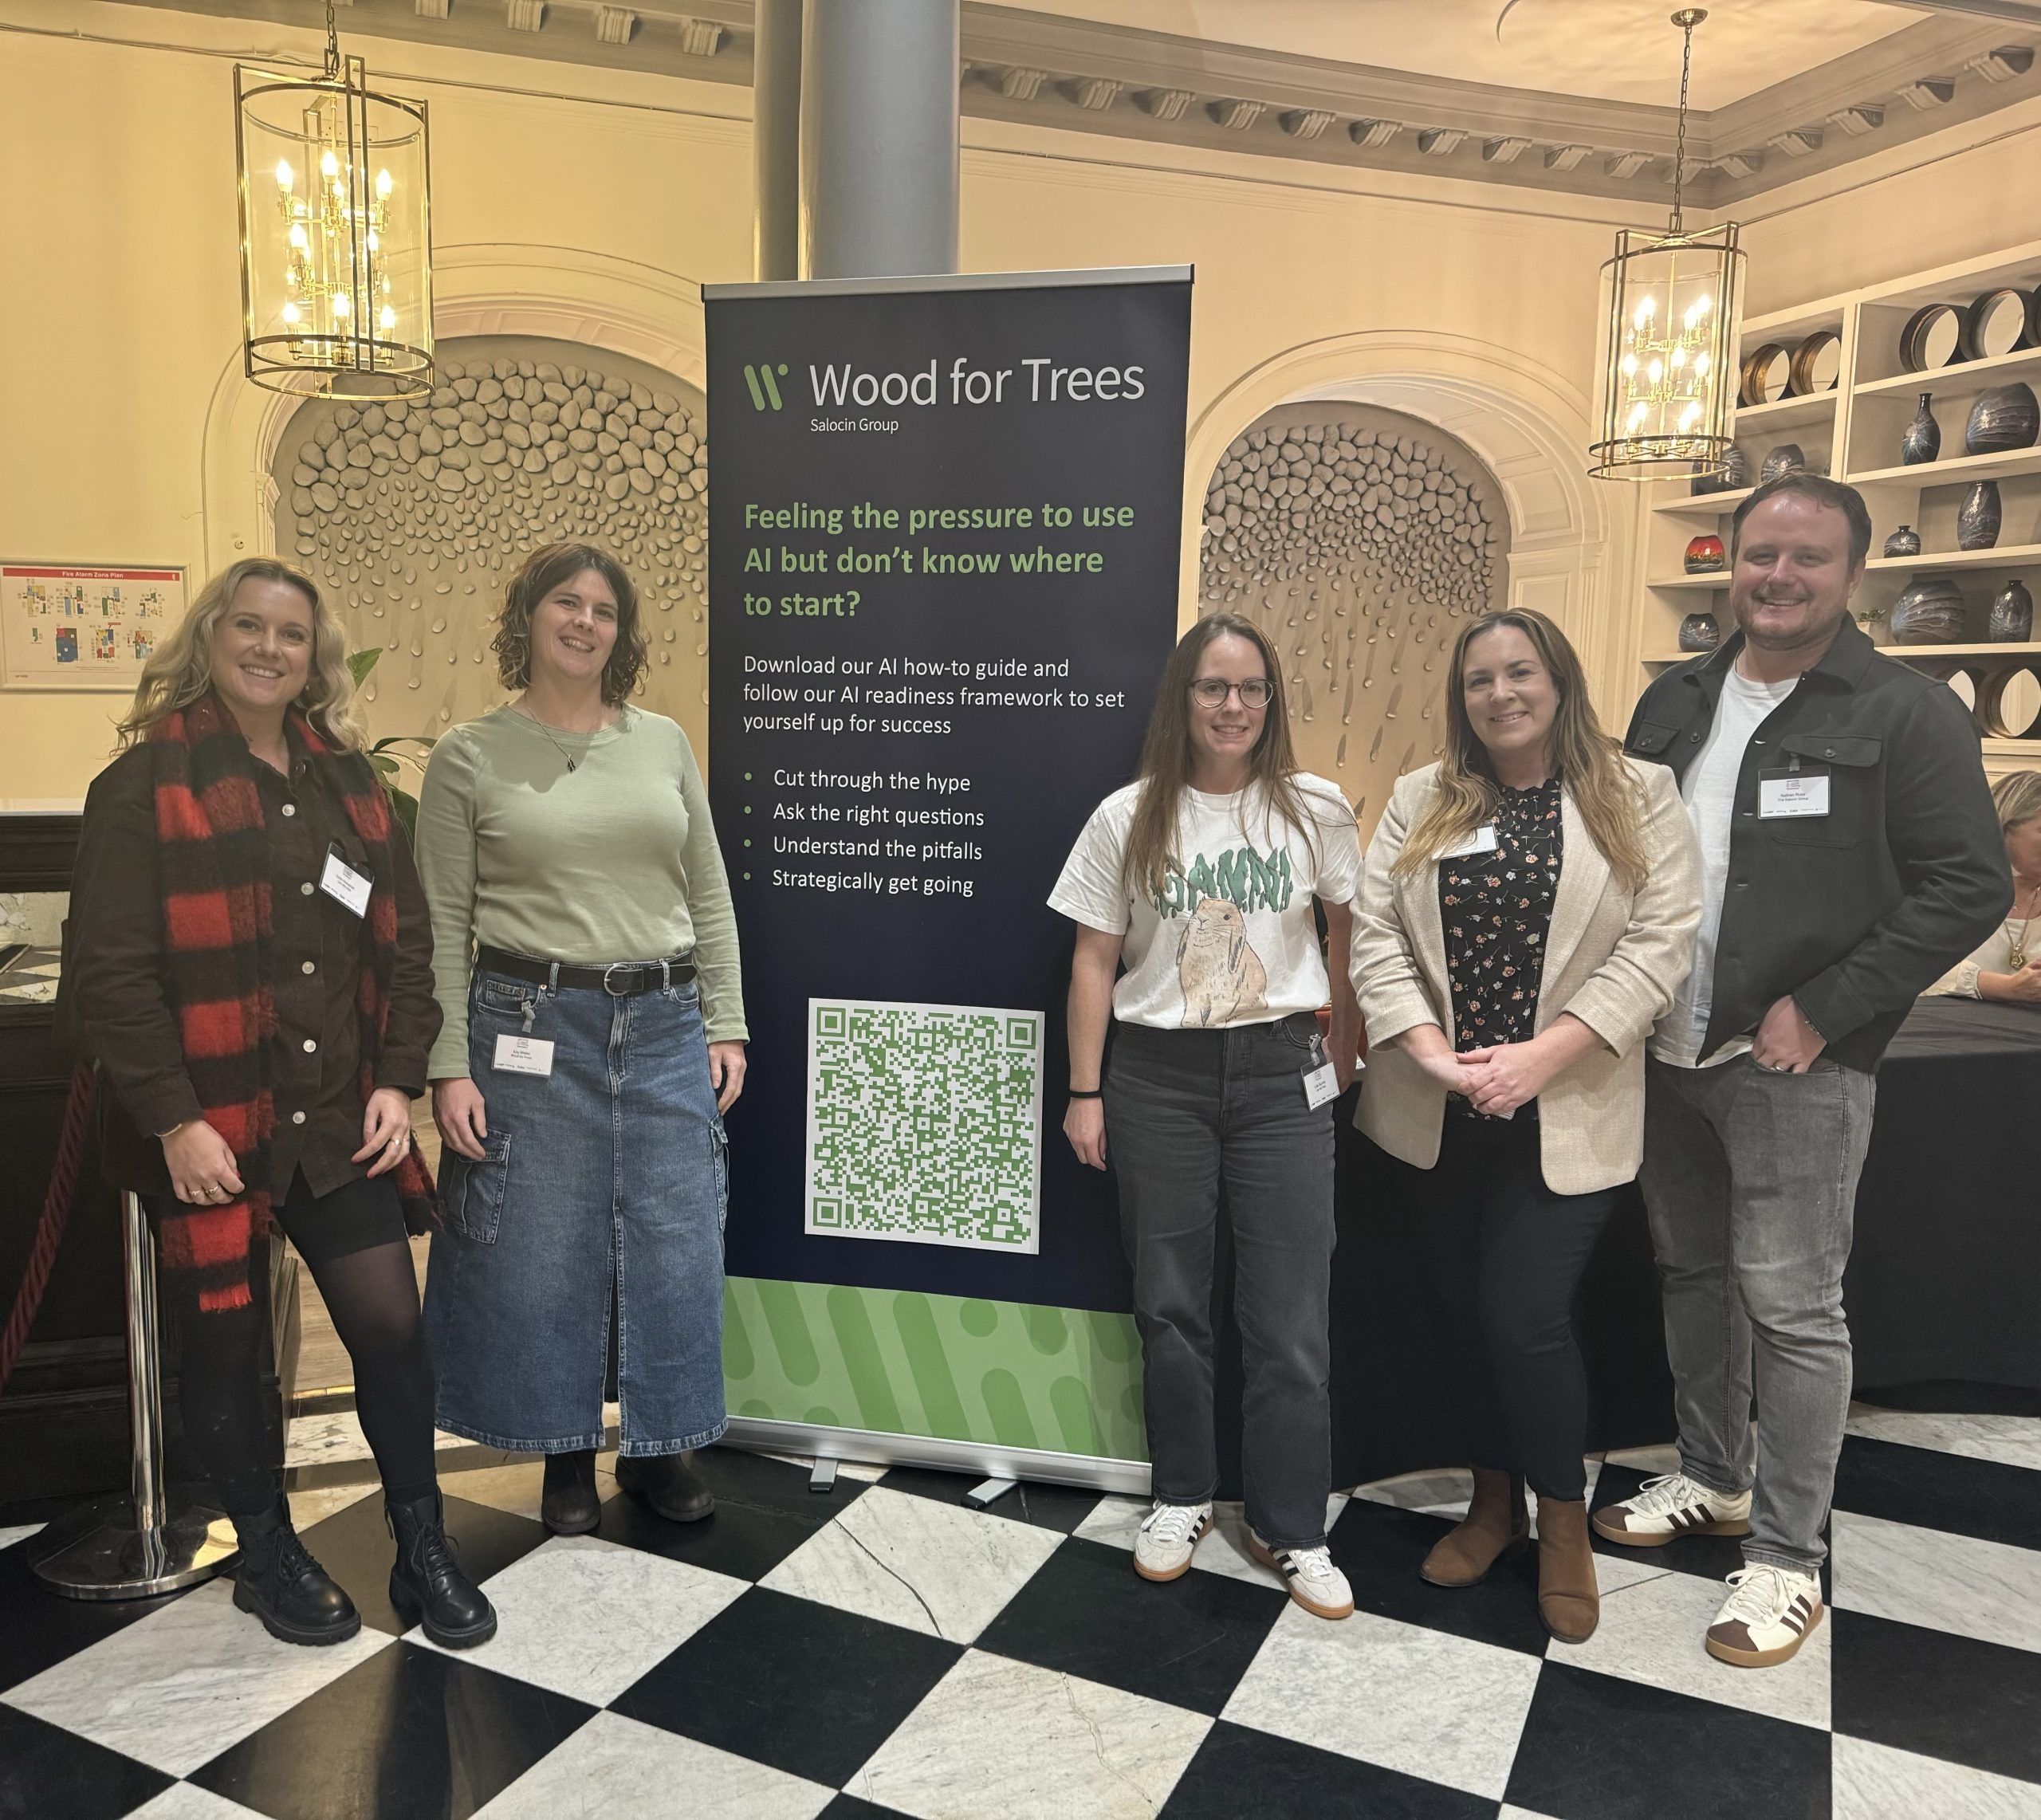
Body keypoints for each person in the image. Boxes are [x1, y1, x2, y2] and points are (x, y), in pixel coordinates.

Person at [1599, 472, 2012, 1669]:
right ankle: (1714, 1477)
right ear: (1731, 561)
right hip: (1666, 1045)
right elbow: (1631, 859)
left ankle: (1785, 1553)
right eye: (1759, 554)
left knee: (1792, 1306)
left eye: (1807, 559)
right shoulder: (1671, 699)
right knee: (1692, 1272)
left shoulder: (1905, 709)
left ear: (1852, 574)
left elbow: (1968, 886)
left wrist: (1826, 1007)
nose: (1778, 577)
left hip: (1793, 1061)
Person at [69, 558, 494, 1649]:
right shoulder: (139, 787)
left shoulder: (350, 781)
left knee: (392, 1331)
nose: (269, 648)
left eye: (291, 634)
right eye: (248, 627)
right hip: (209, 1128)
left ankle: (423, 1543)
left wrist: (397, 1080)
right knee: (228, 1348)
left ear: (318, 656)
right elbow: (110, 973)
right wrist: (174, 1117)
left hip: (334, 1118)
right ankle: (265, 1547)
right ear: (211, 638)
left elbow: (401, 950)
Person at [1350, 608, 1700, 1644]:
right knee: (1460, 1314)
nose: (1499, 693)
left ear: (1560, 678)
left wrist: (1541, 1058)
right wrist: (1426, 1050)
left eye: (1520, 671)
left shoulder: (1640, 794)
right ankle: (1490, 1505)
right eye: (1478, 679)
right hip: (1438, 1107)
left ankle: (1562, 1522)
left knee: (1522, 1314)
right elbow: (1375, 938)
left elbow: (1658, 947)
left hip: (1567, 1104)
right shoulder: (1423, 796)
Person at [415, 541, 746, 1536]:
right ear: (528, 618)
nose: (584, 623)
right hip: (527, 1025)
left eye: (604, 610)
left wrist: (723, 1020)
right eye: (566, 603)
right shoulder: (468, 756)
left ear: (622, 633)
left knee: (676, 1241)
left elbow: (709, 893)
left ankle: (661, 1448)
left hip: (663, 1024)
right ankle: (563, 1453)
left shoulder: (663, 744)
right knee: (539, 1246)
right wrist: (444, 1066)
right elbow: (439, 921)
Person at [1050, 612, 1363, 1621]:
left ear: (1272, 703)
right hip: (1157, 1080)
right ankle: (1181, 1493)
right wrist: (1085, 1090)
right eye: (1214, 688)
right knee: (1172, 1307)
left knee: (1290, 1318)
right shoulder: (1128, 816)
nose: (1234, 707)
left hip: (1282, 1076)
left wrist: (1344, 1051)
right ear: (1181, 700)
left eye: (1253, 689)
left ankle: (1291, 1523)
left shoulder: (1312, 807)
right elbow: (1095, 960)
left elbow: (1350, 936)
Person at [1925, 772, 2041, 1002]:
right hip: (1948, 1025)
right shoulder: (1949, 889)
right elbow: (1906, 967)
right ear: (2004, 830)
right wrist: (2000, 986)